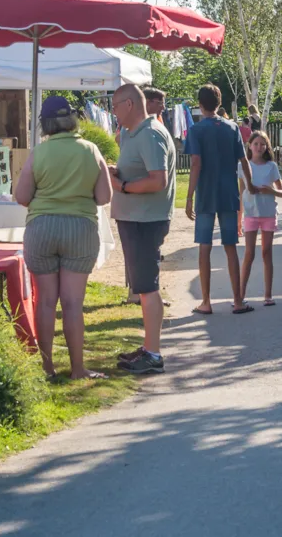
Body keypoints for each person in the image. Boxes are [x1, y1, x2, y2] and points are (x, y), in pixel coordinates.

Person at [15, 96, 113, 380]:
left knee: (45, 301)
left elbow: (22, 197)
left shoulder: (39, 153)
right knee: (73, 303)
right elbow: (104, 197)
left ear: (44, 123)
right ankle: (78, 368)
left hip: (42, 227)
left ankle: (47, 368)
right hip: (80, 229)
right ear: (72, 119)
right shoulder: (91, 150)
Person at [110, 84, 177, 375]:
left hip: (145, 220)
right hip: (137, 218)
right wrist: (118, 173)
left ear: (129, 105)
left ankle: (153, 354)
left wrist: (122, 185)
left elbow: (157, 180)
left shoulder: (149, 134)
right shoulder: (135, 133)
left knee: (148, 288)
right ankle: (149, 347)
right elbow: (142, 171)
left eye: (114, 106)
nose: (112, 112)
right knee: (144, 287)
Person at [186, 84, 255, 315]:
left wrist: (189, 197)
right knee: (230, 246)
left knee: (204, 246)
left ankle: (206, 301)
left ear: (200, 103)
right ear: (218, 101)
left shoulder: (196, 130)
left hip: (206, 193)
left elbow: (196, 163)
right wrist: (251, 184)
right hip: (228, 192)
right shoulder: (232, 127)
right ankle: (237, 300)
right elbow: (243, 160)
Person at [239, 131, 282, 307]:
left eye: (263, 144)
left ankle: (268, 294)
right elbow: (241, 192)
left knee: (267, 253)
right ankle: (240, 295)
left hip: (268, 213)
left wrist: (271, 191)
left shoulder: (271, 166)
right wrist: (239, 218)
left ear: (267, 147)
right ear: (249, 146)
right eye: (256, 144)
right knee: (249, 254)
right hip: (250, 213)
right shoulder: (243, 166)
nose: (259, 147)